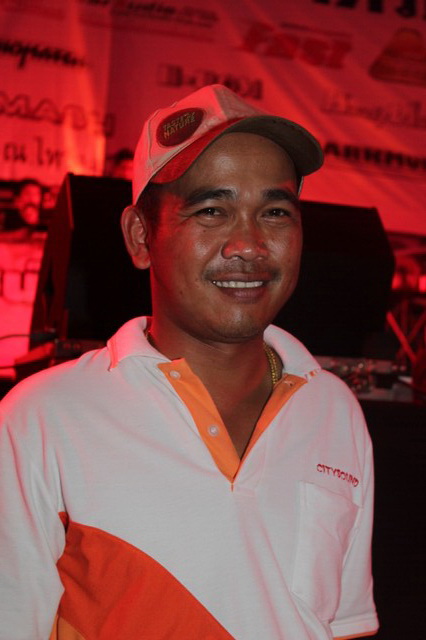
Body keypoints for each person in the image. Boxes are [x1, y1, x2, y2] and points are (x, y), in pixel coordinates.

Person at [0, 85, 379, 639]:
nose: (248, 244)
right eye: (212, 211)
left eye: (275, 212)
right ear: (140, 236)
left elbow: (345, 624)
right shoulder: (42, 417)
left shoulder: (333, 408)